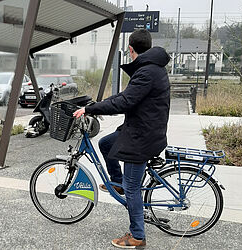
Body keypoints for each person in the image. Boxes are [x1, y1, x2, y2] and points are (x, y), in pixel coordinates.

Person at [73, 29, 170, 248]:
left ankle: (137, 235)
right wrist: (96, 105)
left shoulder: (146, 72)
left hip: (142, 136)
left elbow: (124, 102)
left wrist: (90, 110)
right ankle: (117, 183)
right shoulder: (151, 68)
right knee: (105, 143)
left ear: (131, 49)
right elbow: (125, 96)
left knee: (133, 186)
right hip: (142, 129)